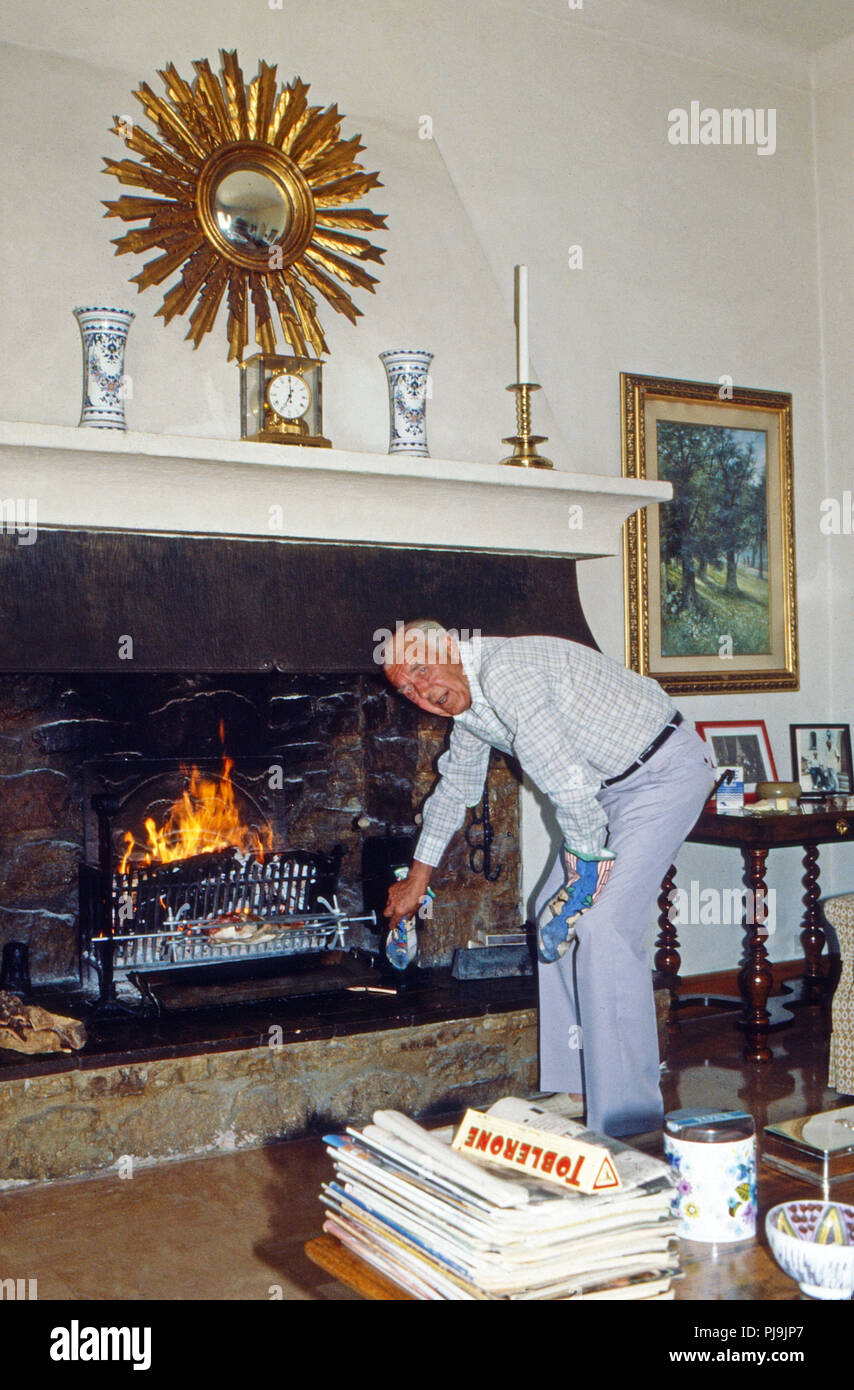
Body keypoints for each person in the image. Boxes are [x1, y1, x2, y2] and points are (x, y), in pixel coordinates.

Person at [381, 619, 715, 1138]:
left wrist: (586, 867)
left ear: (450, 646)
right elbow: (455, 790)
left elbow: (563, 779)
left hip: (663, 774)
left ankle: (629, 1115)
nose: (423, 692)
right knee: (549, 915)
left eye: (422, 670)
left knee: (600, 924)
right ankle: (579, 1080)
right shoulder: (467, 703)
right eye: (407, 689)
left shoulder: (508, 672)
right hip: (605, 791)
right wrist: (417, 880)